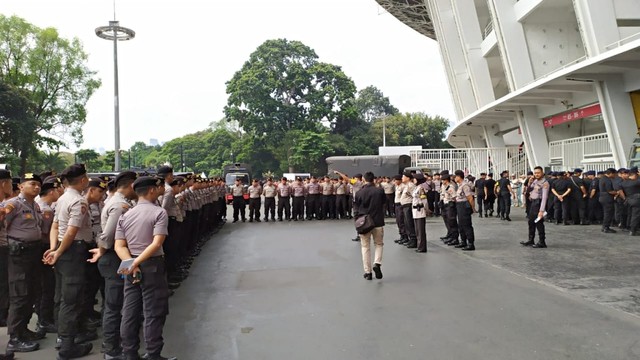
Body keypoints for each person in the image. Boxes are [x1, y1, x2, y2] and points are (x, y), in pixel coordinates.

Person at [114, 176, 176, 360]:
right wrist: (137, 262)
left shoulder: (126, 215)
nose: (160, 190)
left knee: (130, 312)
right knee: (153, 311)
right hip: (151, 265)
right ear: (151, 190)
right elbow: (156, 243)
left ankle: (129, 353)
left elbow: (119, 246)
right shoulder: (159, 213)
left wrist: (131, 263)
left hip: (130, 265)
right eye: (158, 187)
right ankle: (153, 353)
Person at [44, 164, 94, 359]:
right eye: (87, 177)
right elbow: (72, 232)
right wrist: (58, 250)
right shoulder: (78, 201)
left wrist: (54, 248)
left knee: (62, 295)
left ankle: (63, 337)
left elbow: (55, 226)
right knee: (71, 298)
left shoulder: (62, 198)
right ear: (82, 180)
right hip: (72, 251)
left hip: (63, 250)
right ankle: (67, 346)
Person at [89, 171, 138, 359]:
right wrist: (102, 249)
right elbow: (109, 237)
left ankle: (116, 342)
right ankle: (111, 348)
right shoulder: (119, 205)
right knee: (114, 303)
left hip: (117, 256)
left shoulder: (121, 202)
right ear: (131, 185)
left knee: (118, 301)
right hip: (115, 258)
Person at [4, 173, 45, 353]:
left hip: (33, 252)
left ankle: (23, 330)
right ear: (21, 186)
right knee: (20, 294)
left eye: (38, 185)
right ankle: (14, 338)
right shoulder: (12, 204)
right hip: (19, 253)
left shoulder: (34, 204)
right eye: (32, 184)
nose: (37, 187)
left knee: (32, 292)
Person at [34, 176, 61, 335]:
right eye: (57, 190)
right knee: (47, 286)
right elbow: (46, 232)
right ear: (51, 192)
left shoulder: (41, 205)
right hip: (45, 247)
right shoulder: (46, 210)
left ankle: (43, 318)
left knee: (44, 286)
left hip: (42, 248)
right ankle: (44, 320)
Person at [354, 172, 386, 281]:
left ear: (363, 179)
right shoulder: (379, 191)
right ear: (374, 179)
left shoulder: (359, 193)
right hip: (377, 221)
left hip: (364, 223)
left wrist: (356, 222)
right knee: (379, 244)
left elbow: (356, 209)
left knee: (365, 247)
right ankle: (377, 263)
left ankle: (367, 272)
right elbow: (384, 203)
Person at [521, 166, 549, 248]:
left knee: (538, 222)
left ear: (542, 173)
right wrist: (530, 182)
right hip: (532, 203)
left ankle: (542, 241)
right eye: (535, 173)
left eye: (538, 173)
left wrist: (541, 211)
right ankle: (531, 240)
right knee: (531, 222)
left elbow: (544, 198)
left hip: (538, 203)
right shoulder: (536, 181)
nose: (536, 174)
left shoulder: (545, 183)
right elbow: (530, 189)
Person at [454, 170, 476, 251]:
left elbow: (470, 197)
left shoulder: (465, 185)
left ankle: (470, 243)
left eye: (456, 176)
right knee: (461, 224)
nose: (455, 178)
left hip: (464, 206)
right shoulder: (459, 185)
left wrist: (473, 208)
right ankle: (463, 241)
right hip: (459, 206)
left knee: (466, 224)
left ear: (459, 177)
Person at [412, 173, 429, 253]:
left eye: (415, 179)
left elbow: (424, 200)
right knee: (417, 230)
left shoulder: (421, 189)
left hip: (420, 210)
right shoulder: (416, 188)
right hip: (415, 211)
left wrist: (426, 209)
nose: (413, 180)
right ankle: (419, 246)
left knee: (421, 230)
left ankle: (422, 247)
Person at [400, 171, 418, 248]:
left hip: (408, 205)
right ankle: (411, 239)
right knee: (407, 223)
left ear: (408, 178)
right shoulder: (407, 185)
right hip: (405, 206)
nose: (402, 178)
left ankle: (414, 240)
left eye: (403, 177)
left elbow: (414, 196)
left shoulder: (411, 185)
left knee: (410, 223)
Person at [599, 168, 618, 233]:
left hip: (602, 197)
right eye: (614, 174)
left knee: (606, 213)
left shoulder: (602, 178)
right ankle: (606, 227)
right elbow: (610, 191)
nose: (615, 175)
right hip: (607, 198)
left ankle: (604, 227)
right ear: (611, 173)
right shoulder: (607, 180)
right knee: (608, 213)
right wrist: (617, 192)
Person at [392, 175, 407, 245]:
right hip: (396, 205)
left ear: (400, 180)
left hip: (401, 205)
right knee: (398, 221)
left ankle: (405, 237)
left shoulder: (403, 186)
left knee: (401, 221)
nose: (394, 182)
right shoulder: (397, 186)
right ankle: (401, 235)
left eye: (396, 180)